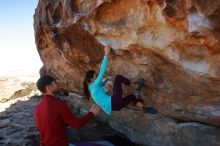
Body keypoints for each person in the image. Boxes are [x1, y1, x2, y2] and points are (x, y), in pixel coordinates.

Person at [34, 75, 100, 146]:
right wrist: (92, 114)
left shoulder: (38, 107)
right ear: (49, 87)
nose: (58, 84)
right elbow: (76, 124)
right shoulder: (58, 104)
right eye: (55, 83)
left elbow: (52, 124)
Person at [83, 45, 144, 115]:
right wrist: (106, 54)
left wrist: (106, 80)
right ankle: (135, 86)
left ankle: (141, 106)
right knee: (118, 78)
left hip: (115, 107)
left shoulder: (93, 90)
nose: (97, 77)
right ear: (91, 79)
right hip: (114, 101)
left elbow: (101, 85)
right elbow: (102, 71)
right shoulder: (95, 85)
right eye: (96, 76)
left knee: (132, 97)